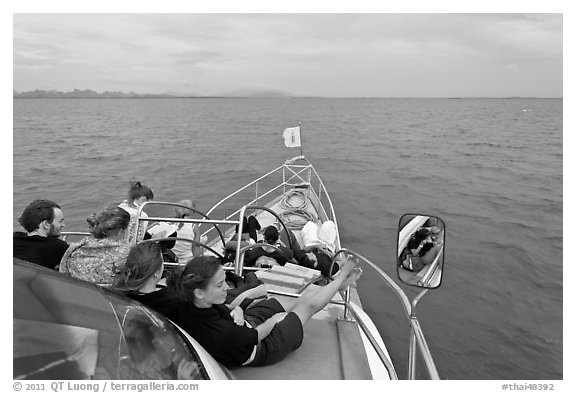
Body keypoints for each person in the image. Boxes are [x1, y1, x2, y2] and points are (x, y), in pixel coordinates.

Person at [168, 255, 362, 369]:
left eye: (225, 280)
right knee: (305, 308)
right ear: (199, 292)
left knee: (291, 299)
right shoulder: (222, 333)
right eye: (220, 285)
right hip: (261, 345)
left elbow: (227, 308)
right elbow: (256, 335)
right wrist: (275, 320)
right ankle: (341, 277)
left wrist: (238, 310)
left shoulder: (190, 302)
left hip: (246, 323)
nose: (227, 288)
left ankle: (337, 284)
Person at [113, 243, 266, 321]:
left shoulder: (122, 293)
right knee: (253, 286)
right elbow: (210, 310)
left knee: (244, 287)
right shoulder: (172, 301)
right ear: (156, 273)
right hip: (212, 301)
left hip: (205, 296)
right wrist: (237, 309)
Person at [59, 205, 131, 285]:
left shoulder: (75, 248)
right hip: (110, 296)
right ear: (121, 231)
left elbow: (63, 272)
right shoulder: (126, 254)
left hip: (75, 292)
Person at [13, 199, 68, 269]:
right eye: (60, 221)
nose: (63, 225)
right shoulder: (57, 247)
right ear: (46, 224)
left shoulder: (14, 240)